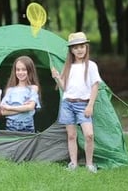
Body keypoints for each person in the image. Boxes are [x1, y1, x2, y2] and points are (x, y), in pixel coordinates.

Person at [51, 32, 102, 173]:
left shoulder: (91, 66)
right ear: (71, 50)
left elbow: (95, 86)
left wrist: (90, 105)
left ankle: (89, 164)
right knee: (71, 135)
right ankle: (73, 163)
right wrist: (57, 77)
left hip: (83, 105)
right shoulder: (68, 67)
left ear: (86, 48)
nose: (79, 50)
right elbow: (65, 88)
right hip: (68, 104)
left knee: (89, 135)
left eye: (82, 47)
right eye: (76, 47)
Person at [0, 56, 41, 133]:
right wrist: (24, 108)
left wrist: (9, 107)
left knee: (28, 145)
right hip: (11, 125)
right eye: (18, 70)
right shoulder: (10, 90)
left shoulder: (33, 88)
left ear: (30, 71)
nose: (20, 72)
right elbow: (3, 111)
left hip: (27, 125)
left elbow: (30, 107)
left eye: (24, 69)